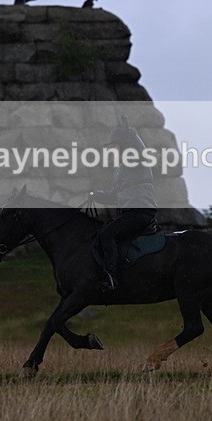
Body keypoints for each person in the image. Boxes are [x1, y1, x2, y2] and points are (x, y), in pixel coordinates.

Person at [92, 118, 158, 292]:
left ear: (126, 144)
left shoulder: (137, 160)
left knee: (107, 234)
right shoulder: (122, 168)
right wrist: (97, 195)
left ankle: (111, 278)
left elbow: (141, 152)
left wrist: (131, 135)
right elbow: (115, 196)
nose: (113, 150)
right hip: (129, 213)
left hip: (140, 212)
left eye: (116, 145)